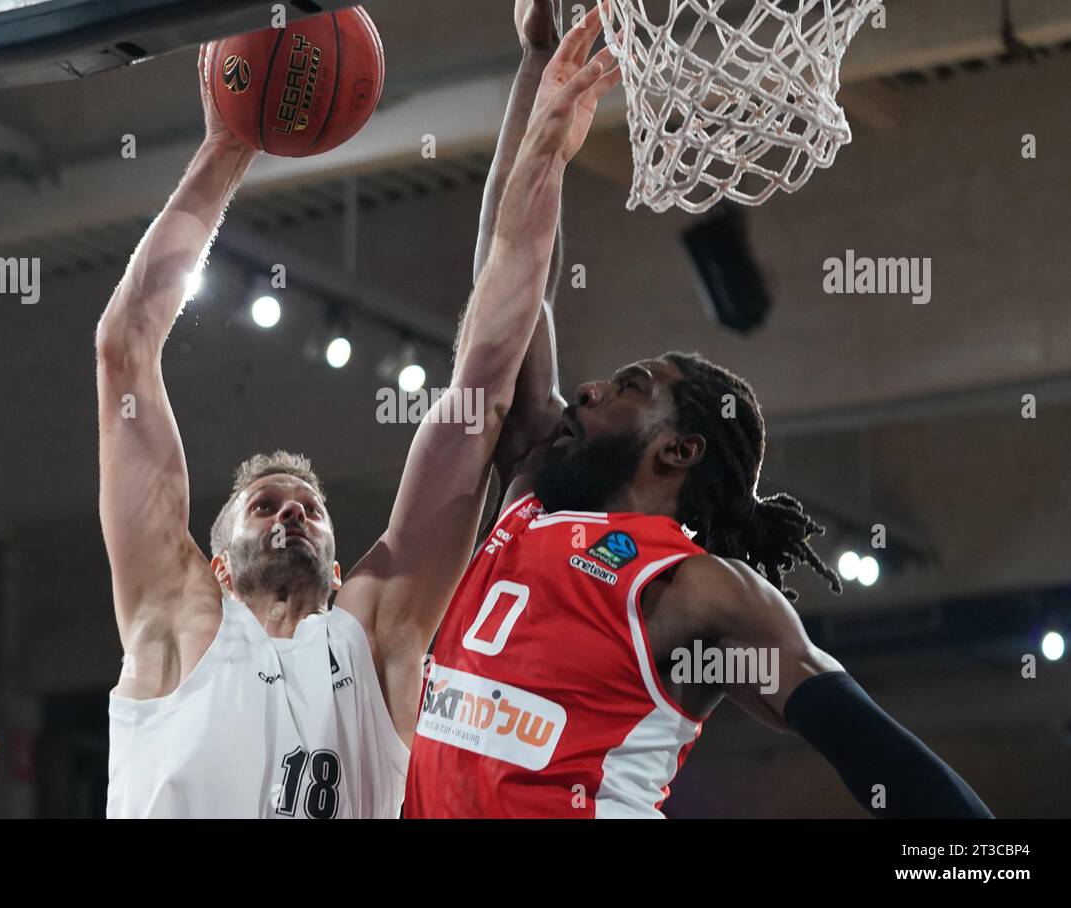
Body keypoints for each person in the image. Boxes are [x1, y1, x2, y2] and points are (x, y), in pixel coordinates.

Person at [402, 1, 994, 821]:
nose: (587, 392)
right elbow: (508, 280)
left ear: (678, 451)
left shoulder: (701, 595)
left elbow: (878, 754)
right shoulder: (532, 489)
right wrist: (538, 67)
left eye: (628, 388)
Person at [95, 11, 620, 817]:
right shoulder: (173, 619)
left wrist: (544, 147)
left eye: (308, 508)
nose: (290, 515)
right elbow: (124, 346)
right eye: (266, 505)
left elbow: (482, 383)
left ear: (341, 572)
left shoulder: (372, 636)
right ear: (217, 566)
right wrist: (225, 149)